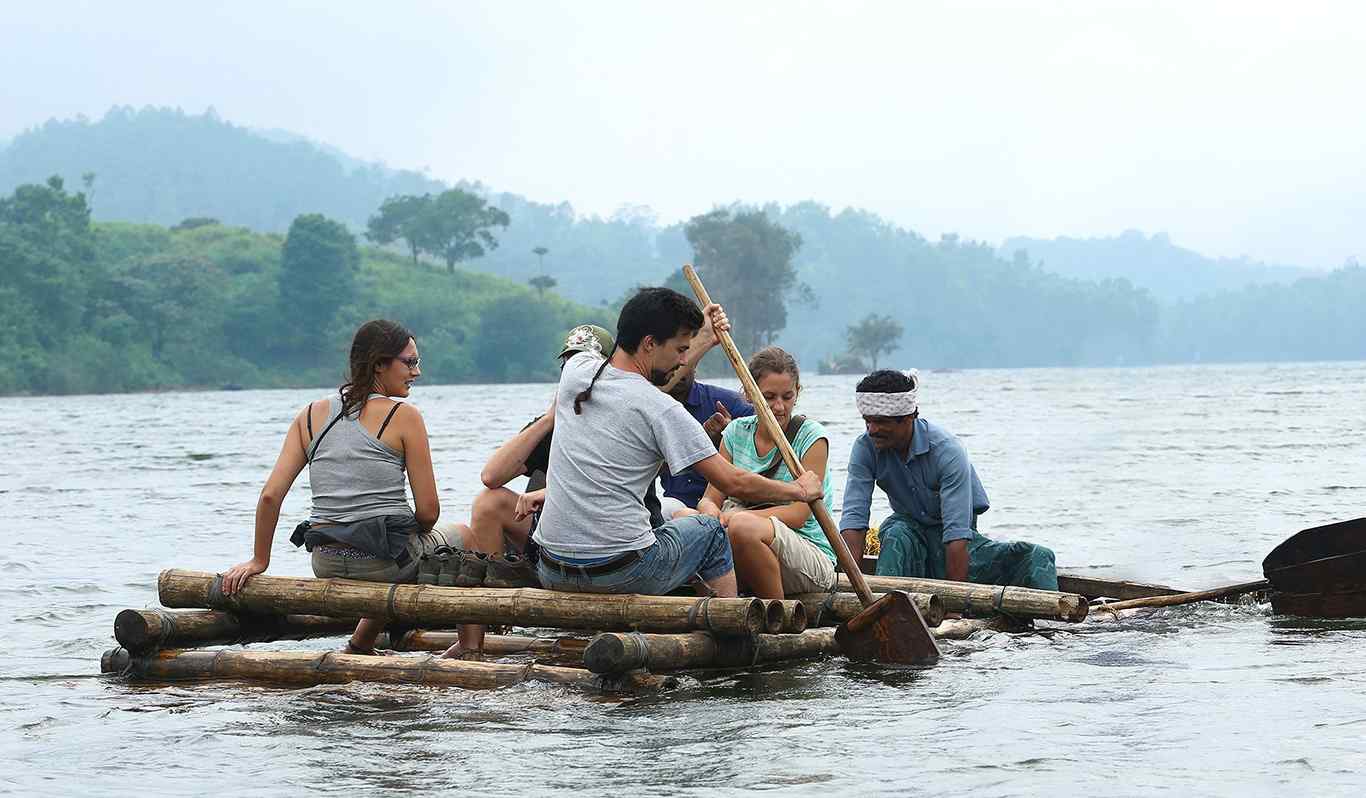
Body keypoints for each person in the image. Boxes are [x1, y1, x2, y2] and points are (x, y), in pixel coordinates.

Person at [526, 287, 823, 598]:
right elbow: (733, 482)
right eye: (680, 349)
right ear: (650, 343)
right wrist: (797, 490)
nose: (684, 360)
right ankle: (731, 632)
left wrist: (706, 338)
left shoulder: (577, 370)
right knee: (711, 531)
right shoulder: (663, 409)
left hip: (551, 567)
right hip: (622, 573)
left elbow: (642, 379)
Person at [221, 320, 454, 654]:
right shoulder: (405, 415)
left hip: (324, 560)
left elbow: (271, 495)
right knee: (462, 538)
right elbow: (429, 512)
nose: (417, 372)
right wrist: (406, 532)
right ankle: (470, 647)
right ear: (378, 364)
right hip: (384, 564)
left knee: (393, 546)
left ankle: (361, 644)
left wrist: (259, 560)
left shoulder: (311, 415)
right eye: (410, 362)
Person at [838, 369, 1058, 590]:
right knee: (895, 531)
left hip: (955, 543)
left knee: (1035, 557)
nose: (872, 430)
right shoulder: (865, 447)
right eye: (867, 421)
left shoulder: (947, 451)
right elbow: (854, 521)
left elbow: (956, 534)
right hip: (909, 535)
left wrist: (955, 606)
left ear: (907, 419)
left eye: (880, 422)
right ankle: (887, 604)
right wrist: (849, 589)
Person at [696, 347, 836, 598]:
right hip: (741, 536)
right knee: (682, 517)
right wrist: (712, 517)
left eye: (787, 397)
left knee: (743, 526)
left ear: (797, 394)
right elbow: (709, 499)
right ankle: (726, 604)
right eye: (769, 397)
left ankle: (776, 613)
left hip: (808, 558)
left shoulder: (811, 437)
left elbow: (797, 514)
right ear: (749, 395)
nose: (779, 407)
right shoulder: (735, 432)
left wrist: (733, 519)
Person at [656, 317, 754, 518]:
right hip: (677, 504)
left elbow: (762, 453)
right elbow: (646, 468)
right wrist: (701, 440)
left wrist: (731, 438)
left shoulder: (731, 403)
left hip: (727, 504)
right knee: (665, 510)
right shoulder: (650, 407)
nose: (679, 373)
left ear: (693, 363)